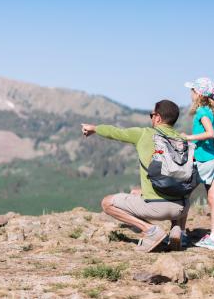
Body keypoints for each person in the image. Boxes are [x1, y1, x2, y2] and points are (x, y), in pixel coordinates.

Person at [81, 100, 190, 253]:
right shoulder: (183, 140)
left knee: (107, 203)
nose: (151, 118)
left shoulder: (144, 134)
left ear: (157, 118)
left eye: (151, 115)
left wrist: (94, 128)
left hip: (157, 208)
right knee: (171, 184)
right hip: (182, 207)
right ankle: (178, 230)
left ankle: (151, 231)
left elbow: (116, 132)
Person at [181, 77, 214, 250]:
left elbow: (210, 133)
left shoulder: (202, 112)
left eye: (192, 90)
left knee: (182, 196)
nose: (190, 93)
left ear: (198, 94)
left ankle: (180, 234)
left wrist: (189, 138)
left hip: (202, 160)